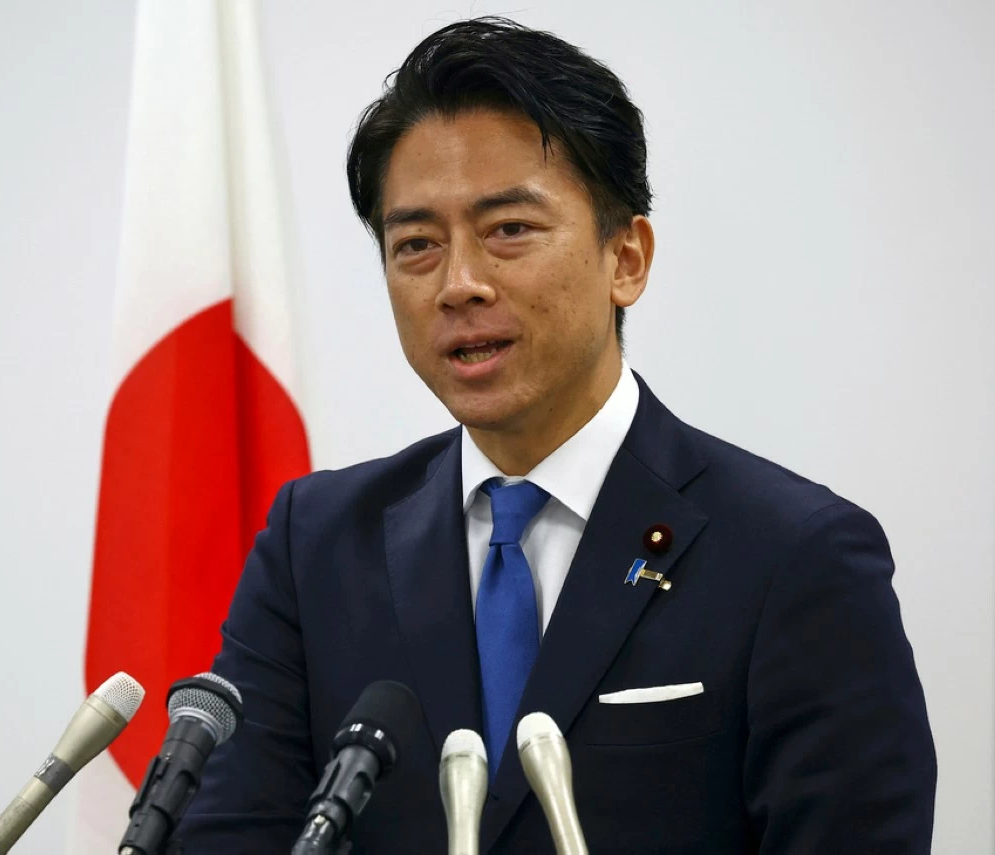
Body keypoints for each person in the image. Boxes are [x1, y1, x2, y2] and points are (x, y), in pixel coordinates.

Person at [177, 17, 936, 853]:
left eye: (509, 229)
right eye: (417, 244)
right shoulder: (315, 545)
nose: (460, 283)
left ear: (627, 258)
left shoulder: (796, 557)